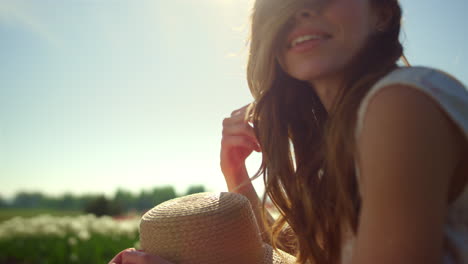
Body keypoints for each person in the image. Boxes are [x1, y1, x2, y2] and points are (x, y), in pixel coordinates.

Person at [109, 0, 468, 263]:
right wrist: (237, 175)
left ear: (382, 13)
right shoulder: (341, 134)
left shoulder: (401, 102)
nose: (301, 10)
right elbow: (298, 258)